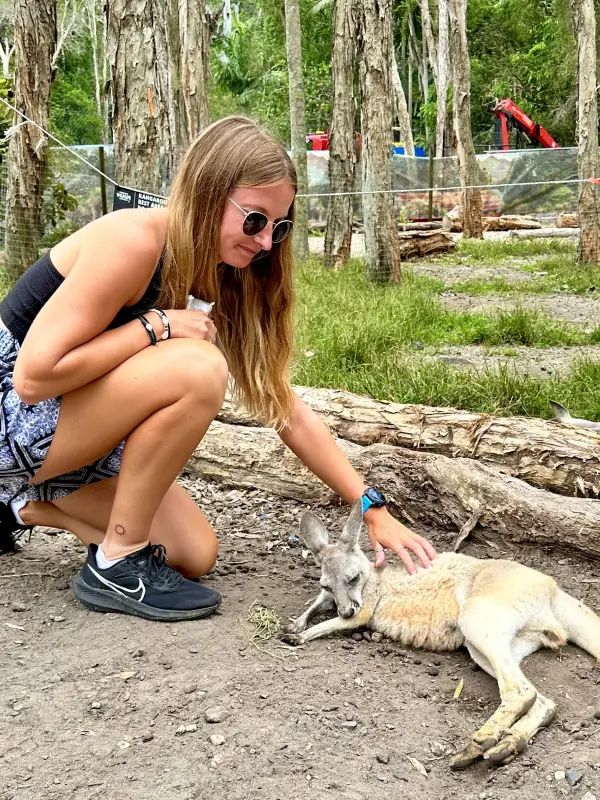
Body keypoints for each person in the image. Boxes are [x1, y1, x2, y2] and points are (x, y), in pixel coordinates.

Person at [0, 116, 436, 622]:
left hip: (63, 437)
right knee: (200, 367)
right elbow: (32, 377)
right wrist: (158, 326)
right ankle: (115, 565)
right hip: (12, 414)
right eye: (254, 220)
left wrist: (370, 505)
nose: (267, 241)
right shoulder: (135, 241)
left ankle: (16, 507)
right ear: (208, 195)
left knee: (192, 553)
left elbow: (283, 408)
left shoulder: (223, 274)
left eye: (280, 226)